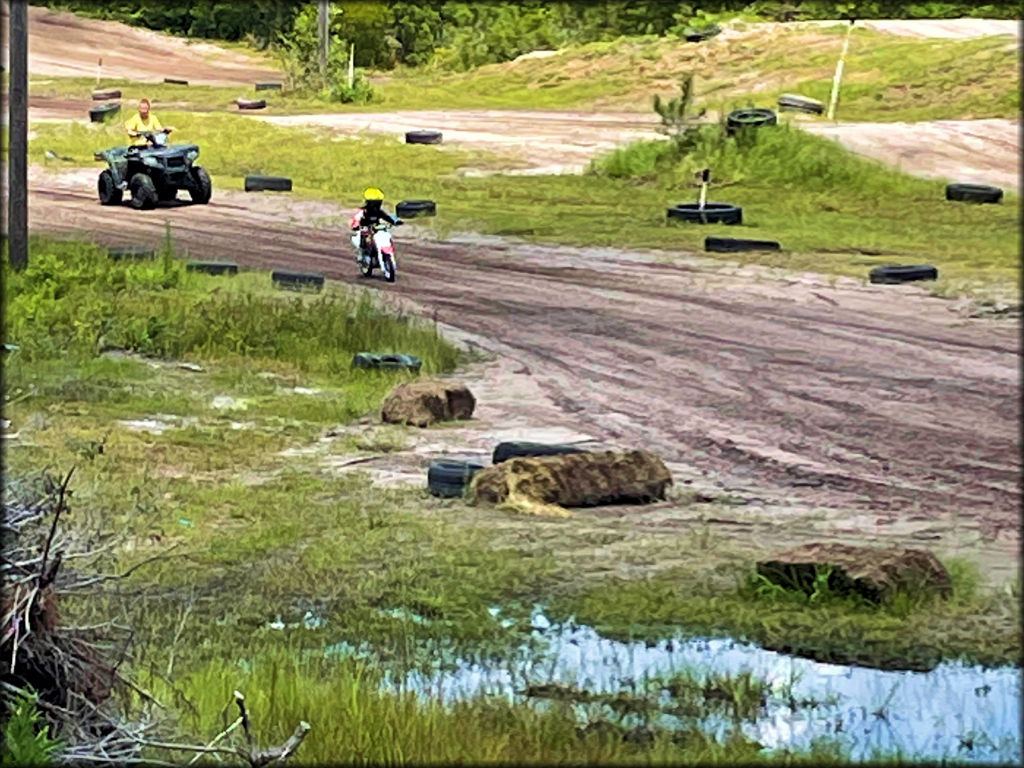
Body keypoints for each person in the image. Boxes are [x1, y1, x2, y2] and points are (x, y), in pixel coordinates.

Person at [106, 99, 174, 190]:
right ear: (139, 109)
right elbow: (129, 129)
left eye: (145, 109)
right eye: (141, 108)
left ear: (148, 109)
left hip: (150, 147)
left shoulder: (152, 118)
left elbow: (158, 129)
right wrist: (136, 133)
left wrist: (165, 130)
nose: (143, 111)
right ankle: (126, 181)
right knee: (133, 161)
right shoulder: (135, 118)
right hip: (137, 147)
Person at [348, 187, 403, 258]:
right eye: (375, 203)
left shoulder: (379, 212)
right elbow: (356, 220)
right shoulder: (363, 212)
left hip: (375, 229)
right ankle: (364, 253)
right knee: (366, 238)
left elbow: (387, 217)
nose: (376, 205)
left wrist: (395, 222)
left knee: (385, 235)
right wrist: (356, 226)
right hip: (365, 230)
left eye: (378, 202)